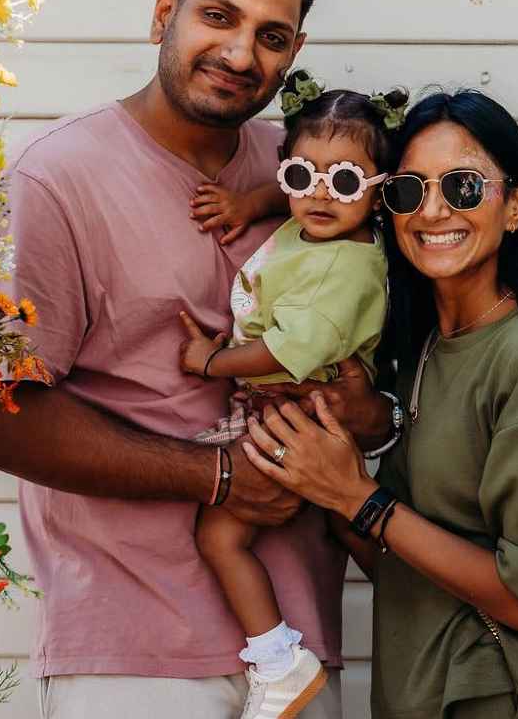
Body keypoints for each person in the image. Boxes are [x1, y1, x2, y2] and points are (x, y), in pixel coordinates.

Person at [0, 0, 394, 719]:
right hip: (132, 652)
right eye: (218, 16)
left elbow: (375, 361)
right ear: (164, 10)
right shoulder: (56, 179)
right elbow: (0, 415)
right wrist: (219, 475)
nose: (241, 54)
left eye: (271, 36)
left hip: (301, 645)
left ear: (295, 51)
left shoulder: (308, 169)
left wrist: (371, 415)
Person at [242, 90, 518, 719]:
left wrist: (356, 497)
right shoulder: (418, 354)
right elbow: (400, 566)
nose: (434, 210)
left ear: (515, 205)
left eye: (464, 187)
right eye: (410, 190)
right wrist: (317, 471)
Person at [178, 71, 402, 719]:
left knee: (220, 538)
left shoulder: (347, 269)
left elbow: (282, 352)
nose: (320, 195)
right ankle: (414, 591)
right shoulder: (322, 222)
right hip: (291, 409)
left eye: (346, 182)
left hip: (296, 416)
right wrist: (247, 205)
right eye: (304, 176)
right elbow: (295, 194)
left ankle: (279, 661)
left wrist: (212, 362)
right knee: (341, 521)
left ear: (380, 192)